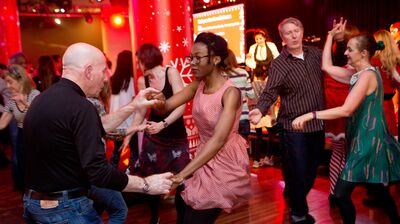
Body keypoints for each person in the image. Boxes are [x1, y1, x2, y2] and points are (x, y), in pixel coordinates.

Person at [22, 42, 173, 223]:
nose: (105, 78)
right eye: (103, 71)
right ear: (88, 71)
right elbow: (98, 172)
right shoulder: (81, 107)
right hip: (66, 209)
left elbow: (98, 126)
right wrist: (147, 185)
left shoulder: (42, 99)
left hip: (34, 204)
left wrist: (134, 106)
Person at [292, 23, 400, 224]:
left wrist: (311, 115)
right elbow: (326, 67)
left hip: (367, 143)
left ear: (363, 53)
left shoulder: (367, 76)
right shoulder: (358, 74)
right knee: (379, 190)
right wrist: (330, 36)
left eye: (350, 49)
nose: (346, 53)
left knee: (341, 193)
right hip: (362, 140)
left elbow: (346, 109)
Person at [160, 32, 251, 223]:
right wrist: (156, 100)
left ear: (216, 59)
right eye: (190, 57)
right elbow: (166, 106)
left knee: (197, 215)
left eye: (198, 58)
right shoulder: (197, 85)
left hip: (225, 160)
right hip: (205, 154)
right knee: (182, 201)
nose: (192, 62)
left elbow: (218, 140)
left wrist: (181, 175)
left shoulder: (230, 93)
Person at [249, 17, 325, 224]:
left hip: (317, 124)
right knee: (299, 170)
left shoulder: (315, 54)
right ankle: (298, 212)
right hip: (292, 126)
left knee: (310, 171)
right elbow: (270, 91)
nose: (293, 36)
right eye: (288, 33)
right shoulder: (279, 64)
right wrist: (259, 109)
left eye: (296, 31)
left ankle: (293, 192)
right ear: (282, 38)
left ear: (302, 31)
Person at [134, 43, 191, 224]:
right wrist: (129, 134)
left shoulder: (171, 72)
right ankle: (154, 217)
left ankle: (181, 219)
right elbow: (142, 112)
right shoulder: (143, 80)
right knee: (151, 180)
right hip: (154, 139)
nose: (138, 65)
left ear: (146, 59)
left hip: (176, 136)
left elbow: (181, 105)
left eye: (139, 61)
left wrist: (163, 124)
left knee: (182, 179)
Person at [324, 20, 359, 207]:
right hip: (345, 109)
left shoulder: (336, 61)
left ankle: (334, 193)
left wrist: (332, 37)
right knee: (345, 153)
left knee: (339, 152)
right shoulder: (352, 67)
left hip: (336, 108)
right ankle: (339, 193)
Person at [0, 64, 39, 191]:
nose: (7, 86)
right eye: (6, 83)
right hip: (22, 137)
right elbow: (2, 124)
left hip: (37, 137)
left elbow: (42, 115)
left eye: (10, 82)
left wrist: (24, 103)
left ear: (20, 79)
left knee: (37, 171)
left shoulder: (34, 94)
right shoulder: (12, 101)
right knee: (24, 170)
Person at [109, 50, 137, 168]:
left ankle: (113, 170)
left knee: (117, 150)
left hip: (116, 120)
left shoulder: (114, 78)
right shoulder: (130, 80)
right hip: (129, 120)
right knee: (134, 149)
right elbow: (134, 99)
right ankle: (132, 170)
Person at [225, 49, 255, 138]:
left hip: (228, 119)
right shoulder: (243, 73)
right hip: (244, 117)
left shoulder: (221, 75)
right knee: (243, 148)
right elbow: (251, 95)